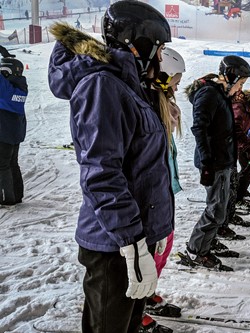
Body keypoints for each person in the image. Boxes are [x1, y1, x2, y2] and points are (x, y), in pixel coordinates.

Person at [47, 1, 174, 333]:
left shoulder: (131, 87)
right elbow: (101, 174)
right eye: (159, 48)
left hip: (134, 239)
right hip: (113, 246)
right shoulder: (102, 86)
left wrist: (155, 229)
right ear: (139, 43)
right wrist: (131, 241)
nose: (160, 58)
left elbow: (146, 167)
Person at [180, 55, 250, 271]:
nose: (241, 88)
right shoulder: (209, 94)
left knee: (220, 207)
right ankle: (195, 251)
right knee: (216, 210)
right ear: (231, 76)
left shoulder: (220, 94)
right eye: (240, 82)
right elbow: (199, 128)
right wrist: (207, 162)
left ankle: (206, 244)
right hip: (214, 162)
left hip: (224, 161)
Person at [140, 47, 186, 331]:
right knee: (146, 252)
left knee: (164, 246)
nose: (178, 84)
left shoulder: (164, 103)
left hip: (164, 189)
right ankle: (132, 306)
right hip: (149, 193)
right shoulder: (148, 105)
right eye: (176, 78)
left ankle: (145, 292)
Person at [210, 77, 250, 258]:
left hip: (230, 151)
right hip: (225, 152)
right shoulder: (240, 105)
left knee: (231, 189)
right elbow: (236, 131)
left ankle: (227, 219)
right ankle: (219, 227)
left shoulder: (245, 104)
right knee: (223, 193)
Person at [0, 51, 27, 206]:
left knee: (2, 165)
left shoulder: (6, 90)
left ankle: (6, 198)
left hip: (4, 132)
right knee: (12, 163)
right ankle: (16, 195)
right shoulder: (20, 86)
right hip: (13, 132)